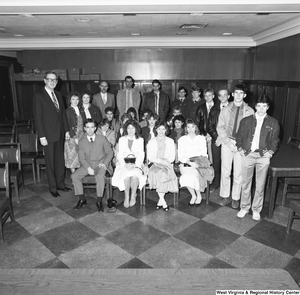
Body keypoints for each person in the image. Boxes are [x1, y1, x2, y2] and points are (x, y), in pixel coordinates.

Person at [236, 94, 280, 221]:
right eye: (259, 106)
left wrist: (270, 152)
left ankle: (256, 209)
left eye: (264, 106)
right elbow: (239, 137)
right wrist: (240, 149)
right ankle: (244, 207)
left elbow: (275, 140)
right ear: (255, 107)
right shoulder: (245, 121)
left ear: (268, 107)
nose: (261, 109)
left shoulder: (273, 122)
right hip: (247, 155)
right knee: (245, 183)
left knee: (260, 185)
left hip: (263, 157)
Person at [33, 70, 71, 197]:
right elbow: (38, 118)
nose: (53, 82)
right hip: (48, 135)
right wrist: (42, 136)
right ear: (45, 80)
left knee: (60, 160)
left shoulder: (59, 95)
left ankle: (61, 184)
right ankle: (53, 187)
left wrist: (66, 130)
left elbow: (63, 115)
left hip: (60, 133)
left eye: (55, 80)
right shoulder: (39, 95)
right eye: (50, 79)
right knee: (50, 162)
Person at [217, 84, 254, 208]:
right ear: (232, 94)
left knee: (238, 173)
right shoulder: (225, 109)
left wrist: (241, 145)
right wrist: (228, 142)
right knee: (225, 171)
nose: (238, 95)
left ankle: (236, 197)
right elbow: (220, 127)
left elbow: (251, 131)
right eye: (236, 93)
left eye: (241, 93)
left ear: (244, 95)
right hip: (227, 142)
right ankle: (225, 195)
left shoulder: (250, 111)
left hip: (241, 145)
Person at [71, 119, 114, 212]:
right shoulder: (82, 141)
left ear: (95, 128)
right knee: (74, 176)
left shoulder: (102, 138)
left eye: (92, 127)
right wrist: (88, 168)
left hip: (101, 164)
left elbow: (110, 153)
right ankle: (82, 199)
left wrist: (105, 163)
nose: (90, 130)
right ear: (84, 129)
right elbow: (81, 158)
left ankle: (99, 201)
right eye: (87, 127)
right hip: (88, 164)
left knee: (99, 176)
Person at [112, 119, 146, 208]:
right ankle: (126, 196)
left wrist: (136, 165)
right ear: (126, 129)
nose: (131, 130)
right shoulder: (122, 139)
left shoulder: (140, 140)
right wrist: (125, 165)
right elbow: (119, 154)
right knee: (126, 175)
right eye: (129, 128)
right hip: (123, 164)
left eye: (133, 128)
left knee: (135, 175)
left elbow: (141, 154)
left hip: (136, 164)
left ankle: (133, 195)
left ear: (136, 129)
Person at [178, 118, 212, 206]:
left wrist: (198, 164)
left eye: (192, 127)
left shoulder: (201, 139)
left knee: (194, 175)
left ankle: (199, 196)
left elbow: (204, 154)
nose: (190, 129)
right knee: (186, 176)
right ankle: (194, 195)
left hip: (199, 162)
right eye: (188, 127)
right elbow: (181, 155)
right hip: (186, 163)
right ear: (185, 128)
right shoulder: (182, 139)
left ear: (196, 128)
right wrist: (189, 162)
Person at [147, 121, 178, 211]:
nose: (161, 131)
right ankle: (163, 201)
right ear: (156, 129)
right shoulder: (151, 141)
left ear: (166, 130)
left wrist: (164, 162)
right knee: (156, 172)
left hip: (167, 164)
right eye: (159, 129)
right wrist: (159, 161)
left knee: (163, 172)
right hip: (155, 164)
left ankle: (161, 201)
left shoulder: (170, 141)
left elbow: (172, 157)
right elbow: (150, 157)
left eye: (163, 129)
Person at [207, 87, 230, 191]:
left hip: (229, 140)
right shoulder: (214, 109)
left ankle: (227, 184)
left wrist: (224, 138)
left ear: (229, 96)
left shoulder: (233, 108)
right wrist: (217, 137)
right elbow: (209, 126)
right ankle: (216, 182)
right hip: (216, 140)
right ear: (218, 97)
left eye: (225, 95)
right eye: (220, 95)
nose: (223, 97)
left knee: (228, 163)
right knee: (216, 161)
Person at [65, 91, 84, 173]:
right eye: (73, 99)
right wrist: (74, 137)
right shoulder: (67, 111)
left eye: (77, 99)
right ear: (70, 100)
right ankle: (74, 177)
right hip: (72, 136)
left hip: (82, 135)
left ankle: (80, 176)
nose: (75, 101)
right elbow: (67, 124)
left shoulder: (81, 109)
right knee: (72, 157)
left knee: (81, 156)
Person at [195, 88, 215, 162]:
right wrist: (201, 134)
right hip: (203, 135)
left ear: (213, 96)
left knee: (213, 155)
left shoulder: (217, 107)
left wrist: (213, 135)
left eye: (209, 95)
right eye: (206, 96)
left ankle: (213, 171)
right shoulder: (200, 108)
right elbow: (197, 122)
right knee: (203, 155)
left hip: (214, 135)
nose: (207, 97)